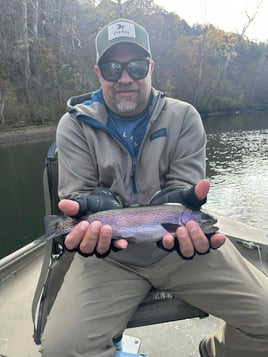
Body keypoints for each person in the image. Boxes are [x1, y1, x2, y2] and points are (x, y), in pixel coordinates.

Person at [40, 18, 268, 357]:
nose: (126, 78)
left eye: (136, 66)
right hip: (109, 256)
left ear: (151, 67)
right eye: (113, 67)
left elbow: (184, 190)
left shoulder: (184, 117)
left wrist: (180, 204)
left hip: (184, 250)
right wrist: (90, 207)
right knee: (61, 350)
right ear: (99, 72)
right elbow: (78, 197)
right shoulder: (74, 125)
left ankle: (216, 349)